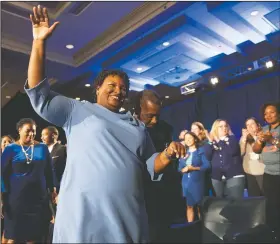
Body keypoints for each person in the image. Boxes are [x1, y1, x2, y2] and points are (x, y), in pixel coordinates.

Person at [25, 6, 185, 243]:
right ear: (98, 87)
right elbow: (40, 95)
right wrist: (38, 44)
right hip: (83, 217)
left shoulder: (137, 126)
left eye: (123, 88)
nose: (118, 90)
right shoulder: (76, 110)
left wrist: (169, 153)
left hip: (126, 218)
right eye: (112, 85)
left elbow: (151, 165)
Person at [134, 90, 182, 242]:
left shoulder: (166, 129)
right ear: (137, 110)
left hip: (164, 191)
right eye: (149, 116)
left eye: (157, 116)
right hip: (141, 193)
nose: (154, 121)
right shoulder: (127, 129)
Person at [1, 118, 57, 243]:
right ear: (19, 130)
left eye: (34, 131)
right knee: (13, 237)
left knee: (34, 237)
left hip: (38, 201)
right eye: (28, 131)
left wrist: (53, 189)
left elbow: (49, 170)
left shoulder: (42, 148)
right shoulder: (11, 149)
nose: (31, 134)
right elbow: (1, 174)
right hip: (16, 201)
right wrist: (1, 198)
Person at [253, 102, 280, 238]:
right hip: (269, 173)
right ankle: (274, 233)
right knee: (271, 205)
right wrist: (259, 141)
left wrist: (272, 139)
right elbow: (256, 150)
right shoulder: (264, 129)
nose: (268, 115)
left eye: (272, 112)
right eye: (265, 113)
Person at [206, 119, 244, 199]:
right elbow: (208, 156)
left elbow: (231, 151)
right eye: (221, 126)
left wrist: (219, 140)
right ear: (215, 128)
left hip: (233, 175)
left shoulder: (232, 139)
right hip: (217, 177)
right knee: (219, 203)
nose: (224, 128)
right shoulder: (212, 142)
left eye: (225, 126)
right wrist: (210, 142)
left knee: (235, 203)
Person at [178, 132, 210, 222]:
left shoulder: (201, 151)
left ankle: (202, 227)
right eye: (186, 138)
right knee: (189, 206)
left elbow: (207, 166)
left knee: (199, 206)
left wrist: (194, 168)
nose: (187, 140)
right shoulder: (184, 153)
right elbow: (179, 168)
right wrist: (183, 169)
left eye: (190, 138)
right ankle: (190, 227)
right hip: (186, 182)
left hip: (197, 182)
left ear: (195, 139)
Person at [240, 117, 264, 196]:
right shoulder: (244, 138)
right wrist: (244, 139)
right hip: (250, 172)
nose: (250, 126)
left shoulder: (263, 136)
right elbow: (241, 153)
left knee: (265, 196)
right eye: (247, 125)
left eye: (252, 124)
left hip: (263, 171)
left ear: (258, 125)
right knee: (254, 196)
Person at [191, 122, 212, 196]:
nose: (193, 131)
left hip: (207, 173)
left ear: (201, 130)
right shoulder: (191, 144)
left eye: (195, 129)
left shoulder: (205, 142)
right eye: (192, 129)